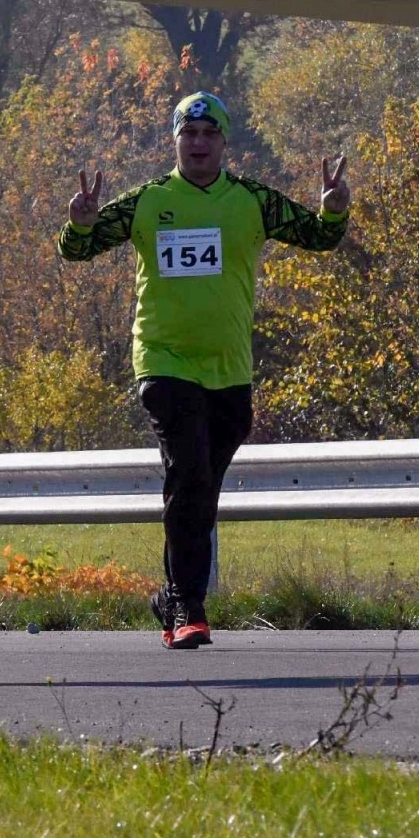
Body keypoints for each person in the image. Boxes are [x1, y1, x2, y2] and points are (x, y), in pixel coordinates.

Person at [57, 91, 350, 649]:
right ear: (175, 140)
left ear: (223, 141)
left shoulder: (251, 201)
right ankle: (191, 605)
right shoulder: (147, 201)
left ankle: (169, 595)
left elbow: (319, 237)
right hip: (164, 362)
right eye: (187, 134)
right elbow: (76, 251)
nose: (198, 144)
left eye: (208, 134)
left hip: (230, 370)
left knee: (198, 492)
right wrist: (80, 223)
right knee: (189, 473)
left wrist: (333, 207)